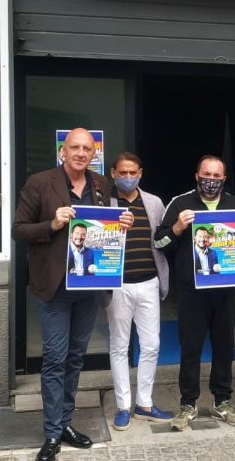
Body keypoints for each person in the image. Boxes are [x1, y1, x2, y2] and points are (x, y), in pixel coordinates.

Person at [12, 128, 133, 461]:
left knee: (76, 357)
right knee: (55, 358)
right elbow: (18, 230)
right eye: (75, 147)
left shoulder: (100, 184)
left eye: (87, 149)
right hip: (55, 286)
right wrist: (52, 224)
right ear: (62, 151)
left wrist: (119, 225)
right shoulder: (40, 183)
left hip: (89, 284)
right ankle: (52, 433)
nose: (81, 153)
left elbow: (103, 228)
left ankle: (65, 422)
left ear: (94, 153)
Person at [154, 155, 235, 430]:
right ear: (197, 176)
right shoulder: (180, 203)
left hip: (226, 289)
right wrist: (177, 227)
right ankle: (188, 403)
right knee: (191, 347)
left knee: (224, 346)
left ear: (224, 179)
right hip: (192, 292)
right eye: (206, 175)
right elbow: (159, 242)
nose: (211, 180)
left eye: (217, 176)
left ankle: (222, 401)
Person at [103, 152, 173, 430]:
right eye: (123, 172)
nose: (128, 177)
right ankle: (123, 406)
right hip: (118, 285)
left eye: (133, 173)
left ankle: (144, 403)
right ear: (113, 173)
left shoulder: (154, 202)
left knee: (152, 345)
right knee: (119, 346)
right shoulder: (103, 202)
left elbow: (163, 239)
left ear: (141, 173)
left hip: (149, 283)